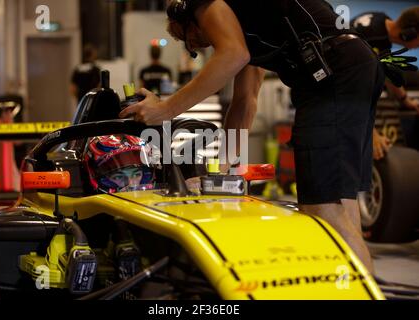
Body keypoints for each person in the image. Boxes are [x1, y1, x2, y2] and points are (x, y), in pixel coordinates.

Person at [119, 0, 389, 273]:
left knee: (323, 210)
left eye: (185, 38)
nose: (195, 47)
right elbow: (244, 103)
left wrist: (165, 109)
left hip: (332, 74)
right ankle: (358, 287)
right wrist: (221, 171)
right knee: (342, 205)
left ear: (188, 18)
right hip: (354, 65)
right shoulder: (249, 27)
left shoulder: (203, 3)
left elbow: (232, 55)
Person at [351, 7, 419, 160]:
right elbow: (355, 90)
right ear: (410, 33)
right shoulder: (372, 42)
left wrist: (405, 99)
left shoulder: (381, 23)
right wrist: (372, 135)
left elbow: (388, 70)